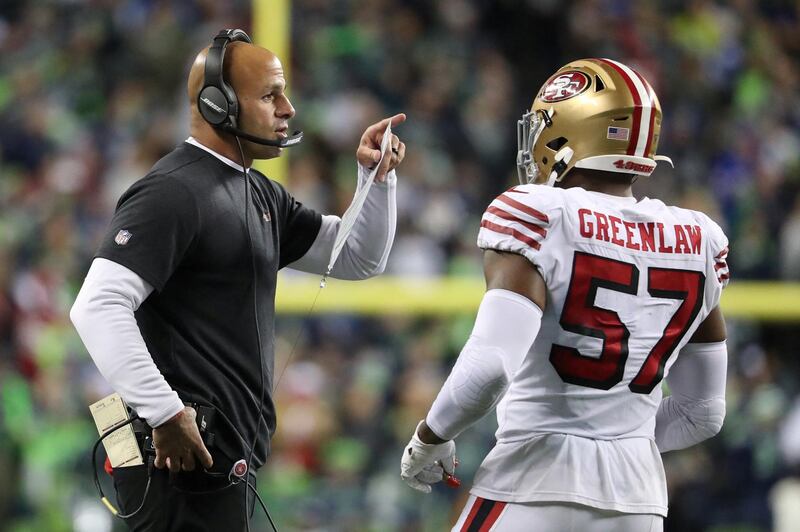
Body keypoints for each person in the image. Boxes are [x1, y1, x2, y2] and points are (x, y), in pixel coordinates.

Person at [70, 29, 405, 532]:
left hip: (211, 463)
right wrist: (164, 413)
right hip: (171, 459)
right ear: (217, 104)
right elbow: (96, 305)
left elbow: (356, 257)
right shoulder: (172, 190)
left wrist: (375, 182)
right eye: (270, 95)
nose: (288, 108)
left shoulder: (258, 192)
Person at [400, 58, 729, 532]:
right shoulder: (700, 238)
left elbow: (491, 365)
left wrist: (430, 438)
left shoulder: (541, 212)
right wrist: (617, 443)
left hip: (535, 481)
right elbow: (704, 412)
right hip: (638, 504)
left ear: (572, 130)